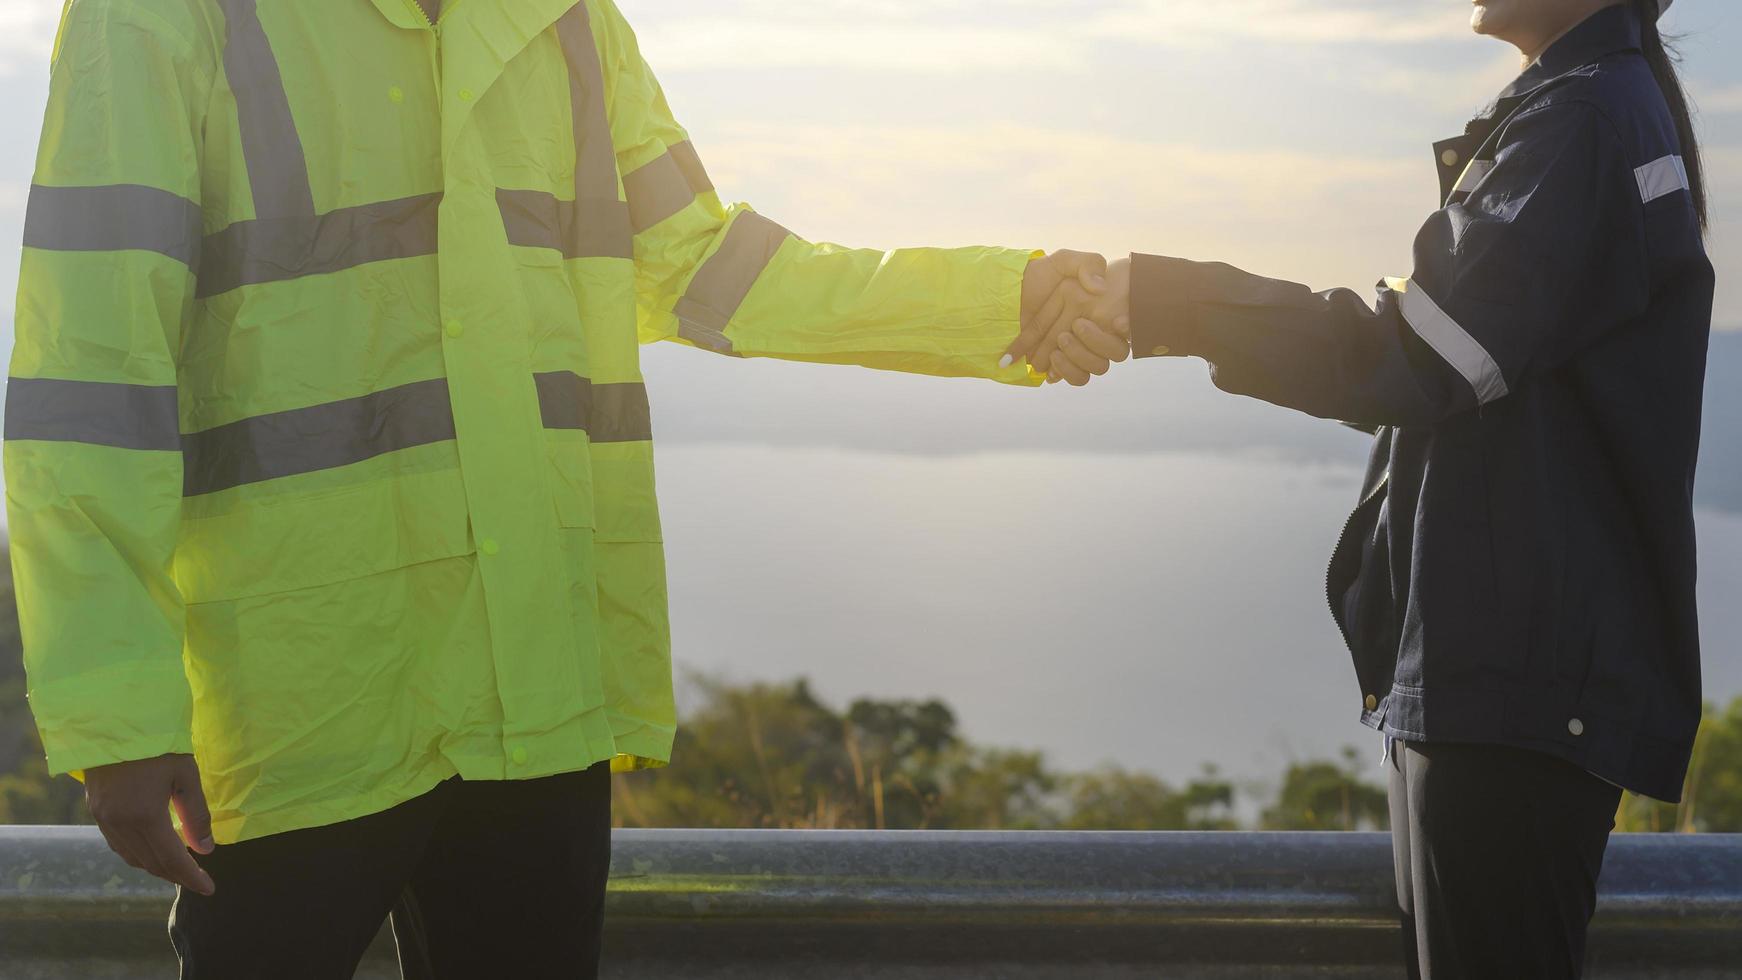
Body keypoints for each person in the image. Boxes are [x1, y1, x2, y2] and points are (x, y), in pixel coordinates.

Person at [3, 1, 1128, 976]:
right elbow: (92, 372)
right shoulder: (160, 15)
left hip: (530, 689)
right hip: (305, 700)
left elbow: (705, 265)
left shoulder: (569, 20)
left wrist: (1006, 300)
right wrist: (118, 712)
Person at [1011, 0, 1712, 976]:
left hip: (1508, 697)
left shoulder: (1585, 117)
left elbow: (1411, 356)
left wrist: (1156, 298)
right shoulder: (1591, 105)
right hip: (1505, 689)